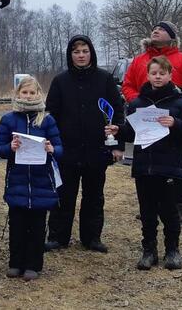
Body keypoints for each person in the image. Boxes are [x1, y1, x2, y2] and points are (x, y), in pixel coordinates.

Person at [108, 56, 182, 270]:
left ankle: (172, 250)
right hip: (144, 167)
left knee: (169, 212)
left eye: (162, 73)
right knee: (147, 212)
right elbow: (131, 132)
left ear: (170, 75)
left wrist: (175, 123)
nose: (157, 77)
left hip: (169, 167)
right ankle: (149, 251)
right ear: (147, 75)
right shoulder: (138, 103)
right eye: (154, 73)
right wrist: (119, 131)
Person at [44, 35, 125, 253]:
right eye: (76, 51)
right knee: (63, 195)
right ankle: (58, 237)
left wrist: (117, 145)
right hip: (66, 150)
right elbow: (51, 115)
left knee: (94, 196)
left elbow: (117, 113)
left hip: (97, 149)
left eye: (85, 51)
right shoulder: (60, 81)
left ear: (91, 53)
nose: (81, 55)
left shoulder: (105, 79)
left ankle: (92, 238)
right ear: (70, 55)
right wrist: (50, 143)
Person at [121, 21, 182, 225]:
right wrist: (136, 103)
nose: (155, 31)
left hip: (173, 119)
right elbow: (128, 85)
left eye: (162, 29)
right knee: (147, 163)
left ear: (172, 36)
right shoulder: (139, 60)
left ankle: (179, 204)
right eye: (154, 29)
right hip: (146, 119)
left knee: (176, 165)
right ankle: (149, 206)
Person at [0, 76, 63, 281]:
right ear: (18, 94)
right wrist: (11, 148)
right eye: (25, 92)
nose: (28, 96)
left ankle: (33, 264)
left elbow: (60, 148)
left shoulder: (47, 119)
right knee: (17, 225)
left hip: (42, 181)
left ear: (38, 94)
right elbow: (0, 148)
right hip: (18, 179)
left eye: (32, 93)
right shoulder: (9, 119)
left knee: (37, 226)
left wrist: (52, 149)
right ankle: (15, 263)